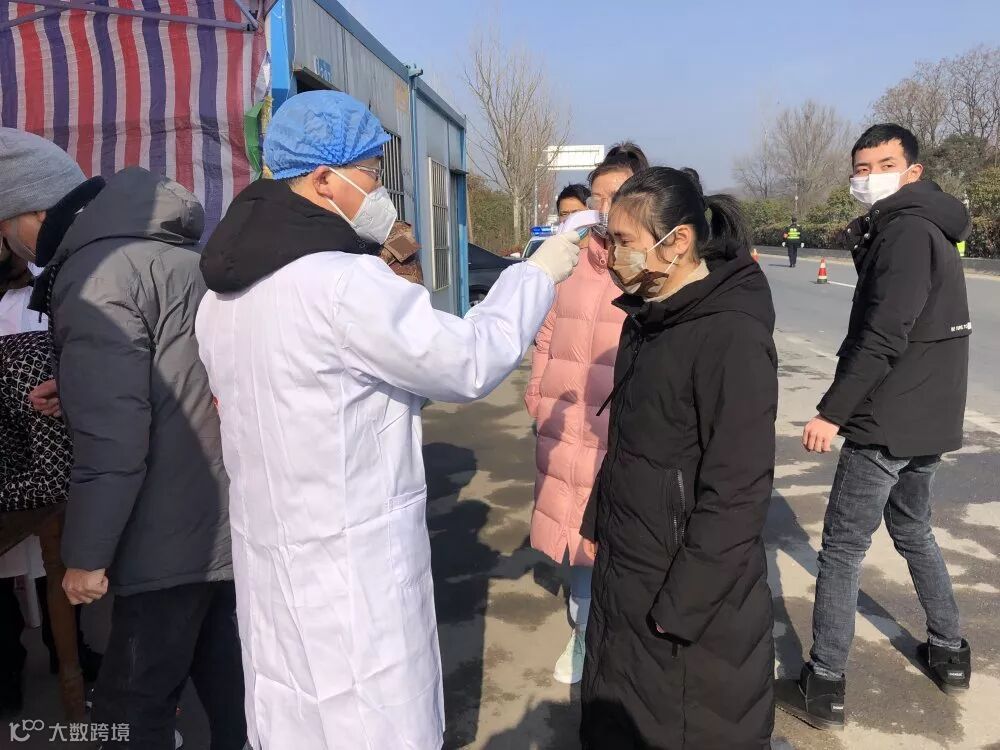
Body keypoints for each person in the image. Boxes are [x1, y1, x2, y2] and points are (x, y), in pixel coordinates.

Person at [194, 90, 582, 750]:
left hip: (272, 553)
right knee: (370, 716)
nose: (379, 190)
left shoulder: (224, 296)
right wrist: (535, 277)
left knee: (292, 710)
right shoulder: (343, 284)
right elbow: (467, 361)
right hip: (352, 558)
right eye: (371, 173)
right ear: (325, 180)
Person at [0, 127, 246, 750]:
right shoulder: (161, 251)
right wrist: (77, 385)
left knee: (131, 710)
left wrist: (84, 558)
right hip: (217, 512)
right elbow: (170, 374)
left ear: (34, 212)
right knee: (231, 688)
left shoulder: (95, 277)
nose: (11, 246)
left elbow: (114, 442)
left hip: (164, 531)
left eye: (5, 227)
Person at [778, 124, 972, 731]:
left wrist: (832, 411)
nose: (870, 177)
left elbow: (884, 335)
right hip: (927, 416)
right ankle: (950, 652)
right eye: (861, 168)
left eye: (884, 165)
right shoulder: (924, 225)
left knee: (841, 549)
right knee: (914, 530)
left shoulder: (907, 231)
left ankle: (824, 684)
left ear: (913, 171)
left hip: (887, 419)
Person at [579, 167, 778, 749]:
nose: (609, 254)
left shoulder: (730, 336)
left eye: (622, 241)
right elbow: (632, 446)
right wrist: (599, 521)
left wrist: (681, 608)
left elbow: (738, 491)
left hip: (686, 598)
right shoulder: (647, 318)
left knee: (679, 723)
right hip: (631, 565)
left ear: (678, 242)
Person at [522, 145, 646, 686]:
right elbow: (546, 330)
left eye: (615, 196)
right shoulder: (570, 259)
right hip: (568, 418)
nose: (603, 208)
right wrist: (537, 390)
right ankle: (583, 635)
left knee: (624, 537)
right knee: (577, 539)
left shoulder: (648, 267)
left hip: (622, 426)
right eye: (597, 197)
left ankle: (624, 640)